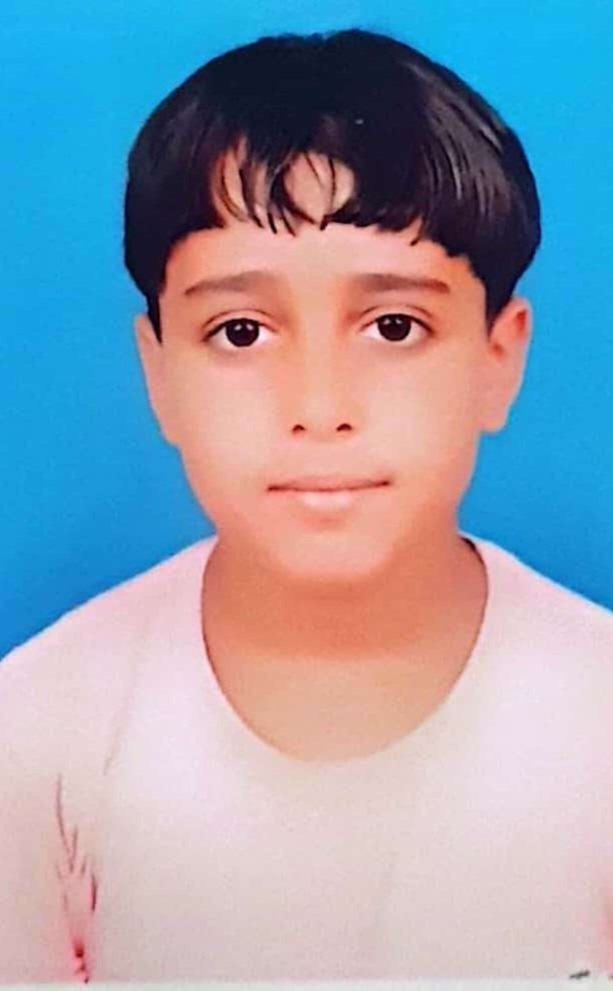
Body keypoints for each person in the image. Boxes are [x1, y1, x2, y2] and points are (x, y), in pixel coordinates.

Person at [1, 26, 612, 984]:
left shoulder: (594, 719)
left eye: (394, 326)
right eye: (240, 331)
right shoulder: (36, 736)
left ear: (499, 357)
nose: (319, 407)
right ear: (157, 372)